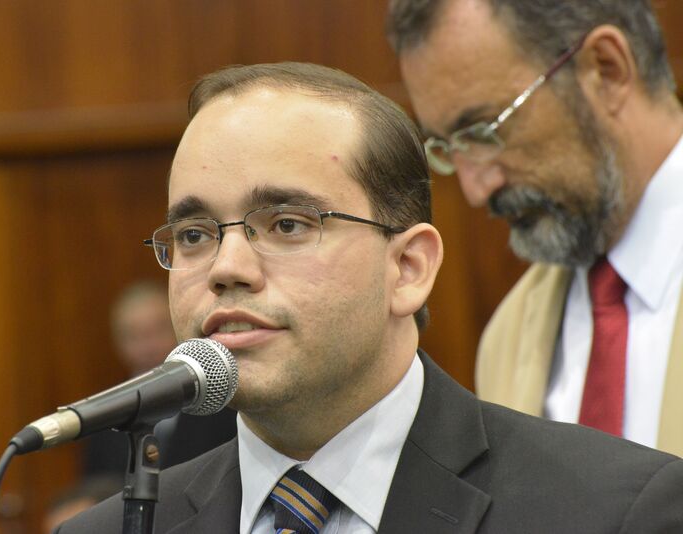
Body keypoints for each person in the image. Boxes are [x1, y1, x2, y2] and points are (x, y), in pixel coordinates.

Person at [56, 62, 683, 533]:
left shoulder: (610, 511)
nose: (226, 268)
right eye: (194, 235)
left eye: (287, 225)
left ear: (408, 268)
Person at [388, 0, 683, 455]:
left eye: (484, 131)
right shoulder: (508, 337)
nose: (475, 190)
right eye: (449, 147)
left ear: (606, 69)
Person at [83, 280, 236, 476]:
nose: (148, 347)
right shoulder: (105, 417)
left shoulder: (219, 402)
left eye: (158, 331)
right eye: (134, 336)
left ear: (177, 328)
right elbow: (97, 485)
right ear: (118, 343)